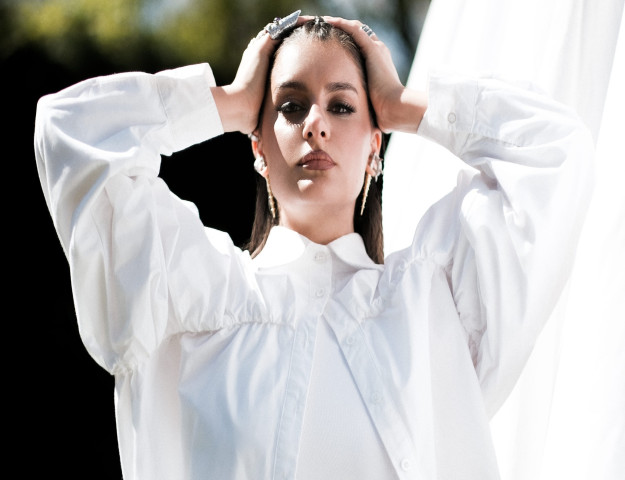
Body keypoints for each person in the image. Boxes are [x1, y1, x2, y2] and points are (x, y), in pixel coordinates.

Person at [34, 11, 593, 480]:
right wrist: (229, 101)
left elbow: (555, 152)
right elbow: (70, 134)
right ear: (258, 146)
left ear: (375, 149)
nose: (315, 125)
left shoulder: (435, 301)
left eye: (342, 106)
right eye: (291, 106)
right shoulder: (188, 298)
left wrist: (402, 103)